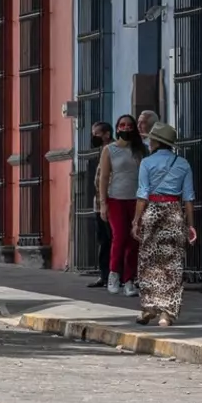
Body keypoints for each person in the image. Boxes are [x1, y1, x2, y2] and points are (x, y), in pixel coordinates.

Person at [131, 122, 196, 327]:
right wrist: (191, 225)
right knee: (173, 263)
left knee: (149, 262)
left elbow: (142, 194)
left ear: (157, 142)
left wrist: (136, 220)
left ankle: (149, 307)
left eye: (151, 139)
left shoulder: (147, 163)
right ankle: (167, 314)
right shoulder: (183, 164)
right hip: (174, 213)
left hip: (153, 212)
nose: (149, 142)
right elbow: (188, 198)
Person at [98, 114, 146, 296]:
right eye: (122, 125)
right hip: (115, 199)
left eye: (129, 125)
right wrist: (103, 203)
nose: (125, 128)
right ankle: (114, 274)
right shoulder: (109, 150)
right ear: (117, 128)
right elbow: (103, 178)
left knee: (134, 240)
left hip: (136, 200)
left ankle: (129, 280)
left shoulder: (141, 150)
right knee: (119, 236)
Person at [84, 121, 113, 288]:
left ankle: (116, 275)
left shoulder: (114, 150)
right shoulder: (101, 150)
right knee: (103, 240)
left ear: (106, 134)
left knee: (112, 239)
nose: (93, 137)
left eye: (97, 134)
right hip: (99, 203)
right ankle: (104, 275)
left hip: (110, 202)